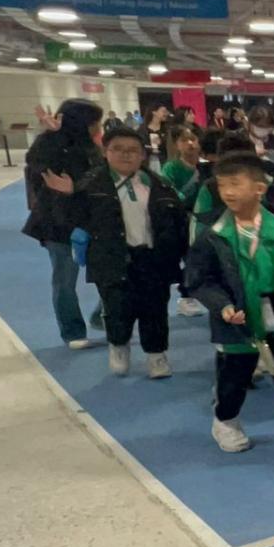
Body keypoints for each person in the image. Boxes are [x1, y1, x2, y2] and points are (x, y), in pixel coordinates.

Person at [186, 151, 274, 473]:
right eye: (223, 185)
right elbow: (198, 280)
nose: (228, 192)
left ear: (259, 189)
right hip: (237, 323)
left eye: (236, 184)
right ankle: (225, 420)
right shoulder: (212, 235)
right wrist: (223, 306)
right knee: (234, 378)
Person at [71, 126, 187, 380]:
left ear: (143, 155)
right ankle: (118, 345)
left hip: (152, 258)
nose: (125, 155)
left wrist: (179, 255)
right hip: (112, 258)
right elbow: (70, 218)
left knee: (155, 309)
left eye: (133, 150)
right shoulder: (89, 186)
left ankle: (156, 355)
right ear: (105, 152)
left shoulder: (160, 185)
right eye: (118, 149)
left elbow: (178, 222)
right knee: (117, 308)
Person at [26, 99, 107, 349]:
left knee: (111, 272)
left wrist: (78, 188)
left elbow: (99, 175)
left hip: (92, 219)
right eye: (94, 123)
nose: (98, 128)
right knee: (65, 280)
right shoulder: (52, 146)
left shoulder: (92, 148)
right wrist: (50, 135)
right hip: (58, 223)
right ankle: (73, 333)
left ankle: (102, 316)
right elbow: (35, 162)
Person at [161, 125, 208, 319]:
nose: (190, 144)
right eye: (184, 140)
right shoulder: (170, 168)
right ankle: (186, 296)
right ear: (176, 145)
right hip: (182, 219)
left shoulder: (206, 166)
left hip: (206, 217)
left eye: (193, 139)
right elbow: (170, 194)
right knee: (188, 257)